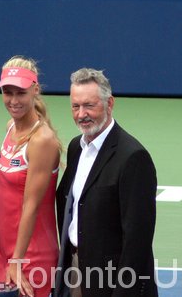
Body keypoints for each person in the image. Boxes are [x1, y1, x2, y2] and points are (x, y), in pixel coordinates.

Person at [54, 68, 158, 297]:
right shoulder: (75, 149)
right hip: (76, 270)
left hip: (114, 283)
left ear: (109, 104)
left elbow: (137, 242)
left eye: (89, 105)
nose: (81, 114)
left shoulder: (133, 157)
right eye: (75, 106)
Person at [0, 56, 62, 297]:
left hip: (29, 257)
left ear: (35, 89)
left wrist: (17, 262)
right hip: (1, 250)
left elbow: (31, 205)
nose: (13, 100)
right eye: (7, 92)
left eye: (20, 92)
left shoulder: (42, 140)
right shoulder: (11, 126)